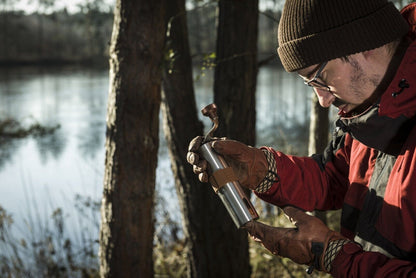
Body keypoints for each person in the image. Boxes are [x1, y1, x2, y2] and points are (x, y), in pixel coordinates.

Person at [187, 0, 416, 276]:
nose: (322, 99)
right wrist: (259, 168)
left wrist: (334, 257)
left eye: (318, 76)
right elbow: (332, 178)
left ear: (363, 42)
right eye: (310, 84)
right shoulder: (370, 112)